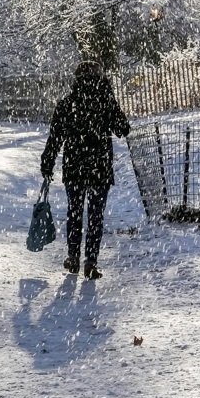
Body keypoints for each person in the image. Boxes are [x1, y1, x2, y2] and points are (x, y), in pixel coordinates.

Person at [39, 60, 130, 280]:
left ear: (76, 79)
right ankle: (90, 260)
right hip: (99, 166)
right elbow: (123, 129)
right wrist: (108, 95)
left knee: (75, 212)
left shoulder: (67, 103)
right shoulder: (105, 100)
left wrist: (47, 162)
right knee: (96, 216)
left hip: (75, 166)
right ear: (99, 78)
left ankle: (72, 256)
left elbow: (55, 138)